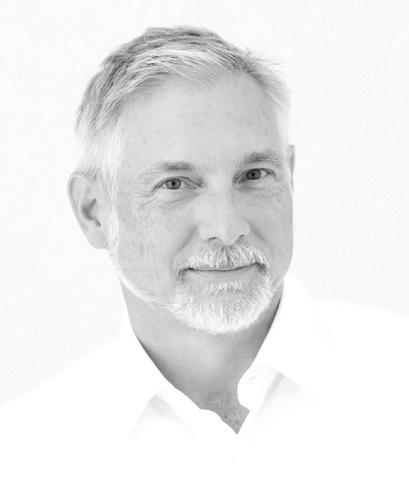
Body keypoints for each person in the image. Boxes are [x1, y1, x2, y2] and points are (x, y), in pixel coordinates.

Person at [1, 25, 408, 484]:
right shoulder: (25, 455)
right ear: (93, 212)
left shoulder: (398, 376)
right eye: (175, 184)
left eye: (254, 174)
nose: (227, 228)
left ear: (290, 176)